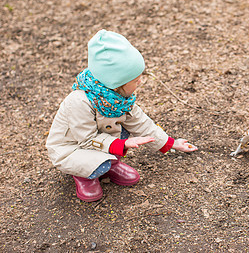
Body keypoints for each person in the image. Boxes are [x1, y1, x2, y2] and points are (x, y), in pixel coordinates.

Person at [46, 29, 198, 202]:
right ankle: (84, 175)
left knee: (126, 123)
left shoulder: (119, 99)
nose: (140, 82)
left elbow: (142, 123)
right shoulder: (79, 102)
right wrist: (123, 143)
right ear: (115, 83)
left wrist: (171, 143)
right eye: (135, 80)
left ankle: (110, 164)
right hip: (73, 149)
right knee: (99, 155)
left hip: (100, 143)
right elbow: (87, 139)